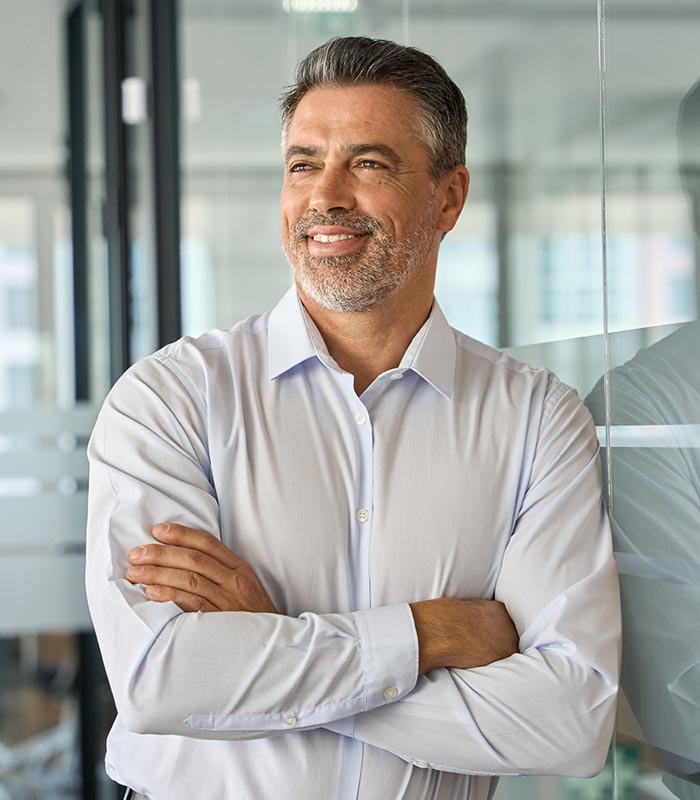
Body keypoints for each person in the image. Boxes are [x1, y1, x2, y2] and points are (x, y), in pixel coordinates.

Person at [85, 37, 621, 800]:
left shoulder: (536, 418)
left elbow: (568, 722)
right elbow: (162, 680)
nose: (325, 195)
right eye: (304, 163)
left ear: (448, 197)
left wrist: (271, 639)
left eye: (368, 164)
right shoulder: (170, 399)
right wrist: (425, 635)